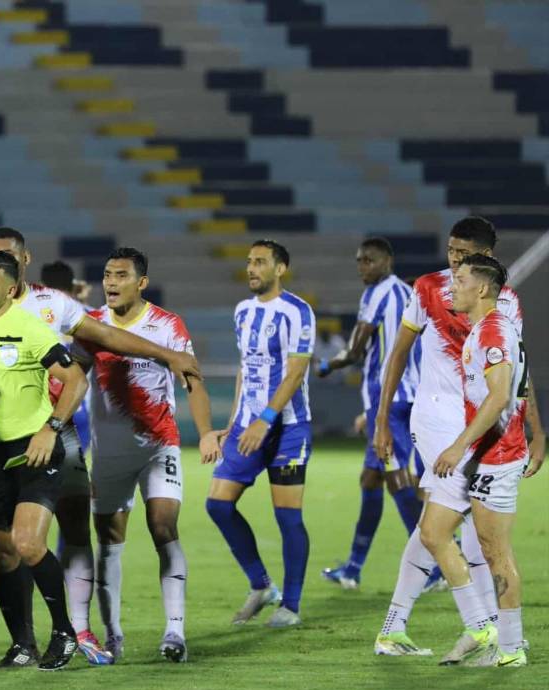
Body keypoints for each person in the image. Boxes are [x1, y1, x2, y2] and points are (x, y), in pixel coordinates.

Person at [0, 226, 204, 663]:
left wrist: (167, 355)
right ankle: (24, 641)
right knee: (7, 546)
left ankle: (77, 630)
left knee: (70, 530)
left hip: (53, 432)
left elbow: (106, 337)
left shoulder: (51, 305)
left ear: (22, 262)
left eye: (4, 258)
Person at [373, 217, 542, 661]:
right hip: (438, 422)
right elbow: (398, 353)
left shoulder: (502, 305)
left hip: (480, 423)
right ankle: (489, 631)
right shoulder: (430, 287)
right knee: (455, 531)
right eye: (450, 251)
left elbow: (515, 376)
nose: (453, 262)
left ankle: (406, 626)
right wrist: (381, 418)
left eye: (463, 255)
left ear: (486, 259)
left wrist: (536, 430)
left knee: (441, 527)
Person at [73, 248, 220, 663]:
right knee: (109, 542)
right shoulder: (92, 326)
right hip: (109, 456)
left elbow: (192, 380)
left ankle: (175, 632)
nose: (111, 282)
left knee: (163, 525)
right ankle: (113, 636)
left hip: (159, 445)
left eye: (121, 275)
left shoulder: (167, 325)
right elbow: (72, 378)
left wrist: (206, 432)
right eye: (106, 274)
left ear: (141, 282)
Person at [0, 250, 89, 670]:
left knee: (28, 543)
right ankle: (22, 645)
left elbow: (76, 380)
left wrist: (51, 428)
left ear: (10, 290)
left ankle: (65, 633)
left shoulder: (30, 328)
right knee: (4, 552)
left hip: (35, 446)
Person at [205, 240, 314, 628]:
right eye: (249, 261)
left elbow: (296, 371)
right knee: (217, 504)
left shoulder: (297, 311)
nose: (251, 268)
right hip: (249, 425)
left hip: (287, 428)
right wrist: (234, 422)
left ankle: (292, 605)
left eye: (260, 262)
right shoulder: (243, 311)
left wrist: (265, 419)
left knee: (287, 517)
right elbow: (244, 368)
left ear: (280, 268)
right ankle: (262, 585)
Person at [432, 255, 529, 666]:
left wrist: (458, 446)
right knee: (433, 532)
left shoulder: (491, 332)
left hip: (496, 456)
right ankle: (480, 627)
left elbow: (500, 396)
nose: (450, 287)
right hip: (480, 453)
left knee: (496, 554)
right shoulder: (486, 330)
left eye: (459, 279)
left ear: (483, 289)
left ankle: (510, 649)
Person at [317, 237, 423, 589]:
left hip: (389, 399)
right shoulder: (408, 293)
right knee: (371, 479)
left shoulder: (376, 294)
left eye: (370, 260)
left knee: (397, 479)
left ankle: (433, 564)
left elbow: (355, 350)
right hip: (405, 396)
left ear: (387, 260)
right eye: (359, 261)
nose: (363, 267)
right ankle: (353, 567)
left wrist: (324, 366)